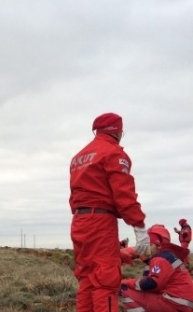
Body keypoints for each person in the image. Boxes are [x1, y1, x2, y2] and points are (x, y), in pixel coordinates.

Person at [69, 112, 149, 312]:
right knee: (105, 279)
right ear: (118, 131)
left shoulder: (79, 157)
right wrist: (139, 227)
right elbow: (124, 195)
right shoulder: (113, 153)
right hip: (100, 222)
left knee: (87, 278)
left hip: (80, 222)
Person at [119, 224, 193, 312]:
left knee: (123, 289)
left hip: (174, 303)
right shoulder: (166, 257)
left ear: (159, 245)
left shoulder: (160, 259)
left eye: (149, 245)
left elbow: (151, 284)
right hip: (180, 302)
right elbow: (149, 280)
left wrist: (126, 282)